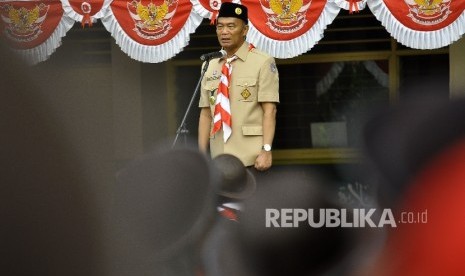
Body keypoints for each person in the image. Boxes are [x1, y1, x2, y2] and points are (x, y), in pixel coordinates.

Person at [198, 2, 280, 173]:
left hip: (250, 157)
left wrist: (266, 150)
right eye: (220, 26)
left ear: (244, 30)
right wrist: (200, 156)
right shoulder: (210, 64)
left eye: (231, 26)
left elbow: (269, 111)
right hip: (218, 158)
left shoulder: (262, 61)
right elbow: (206, 113)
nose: (224, 32)